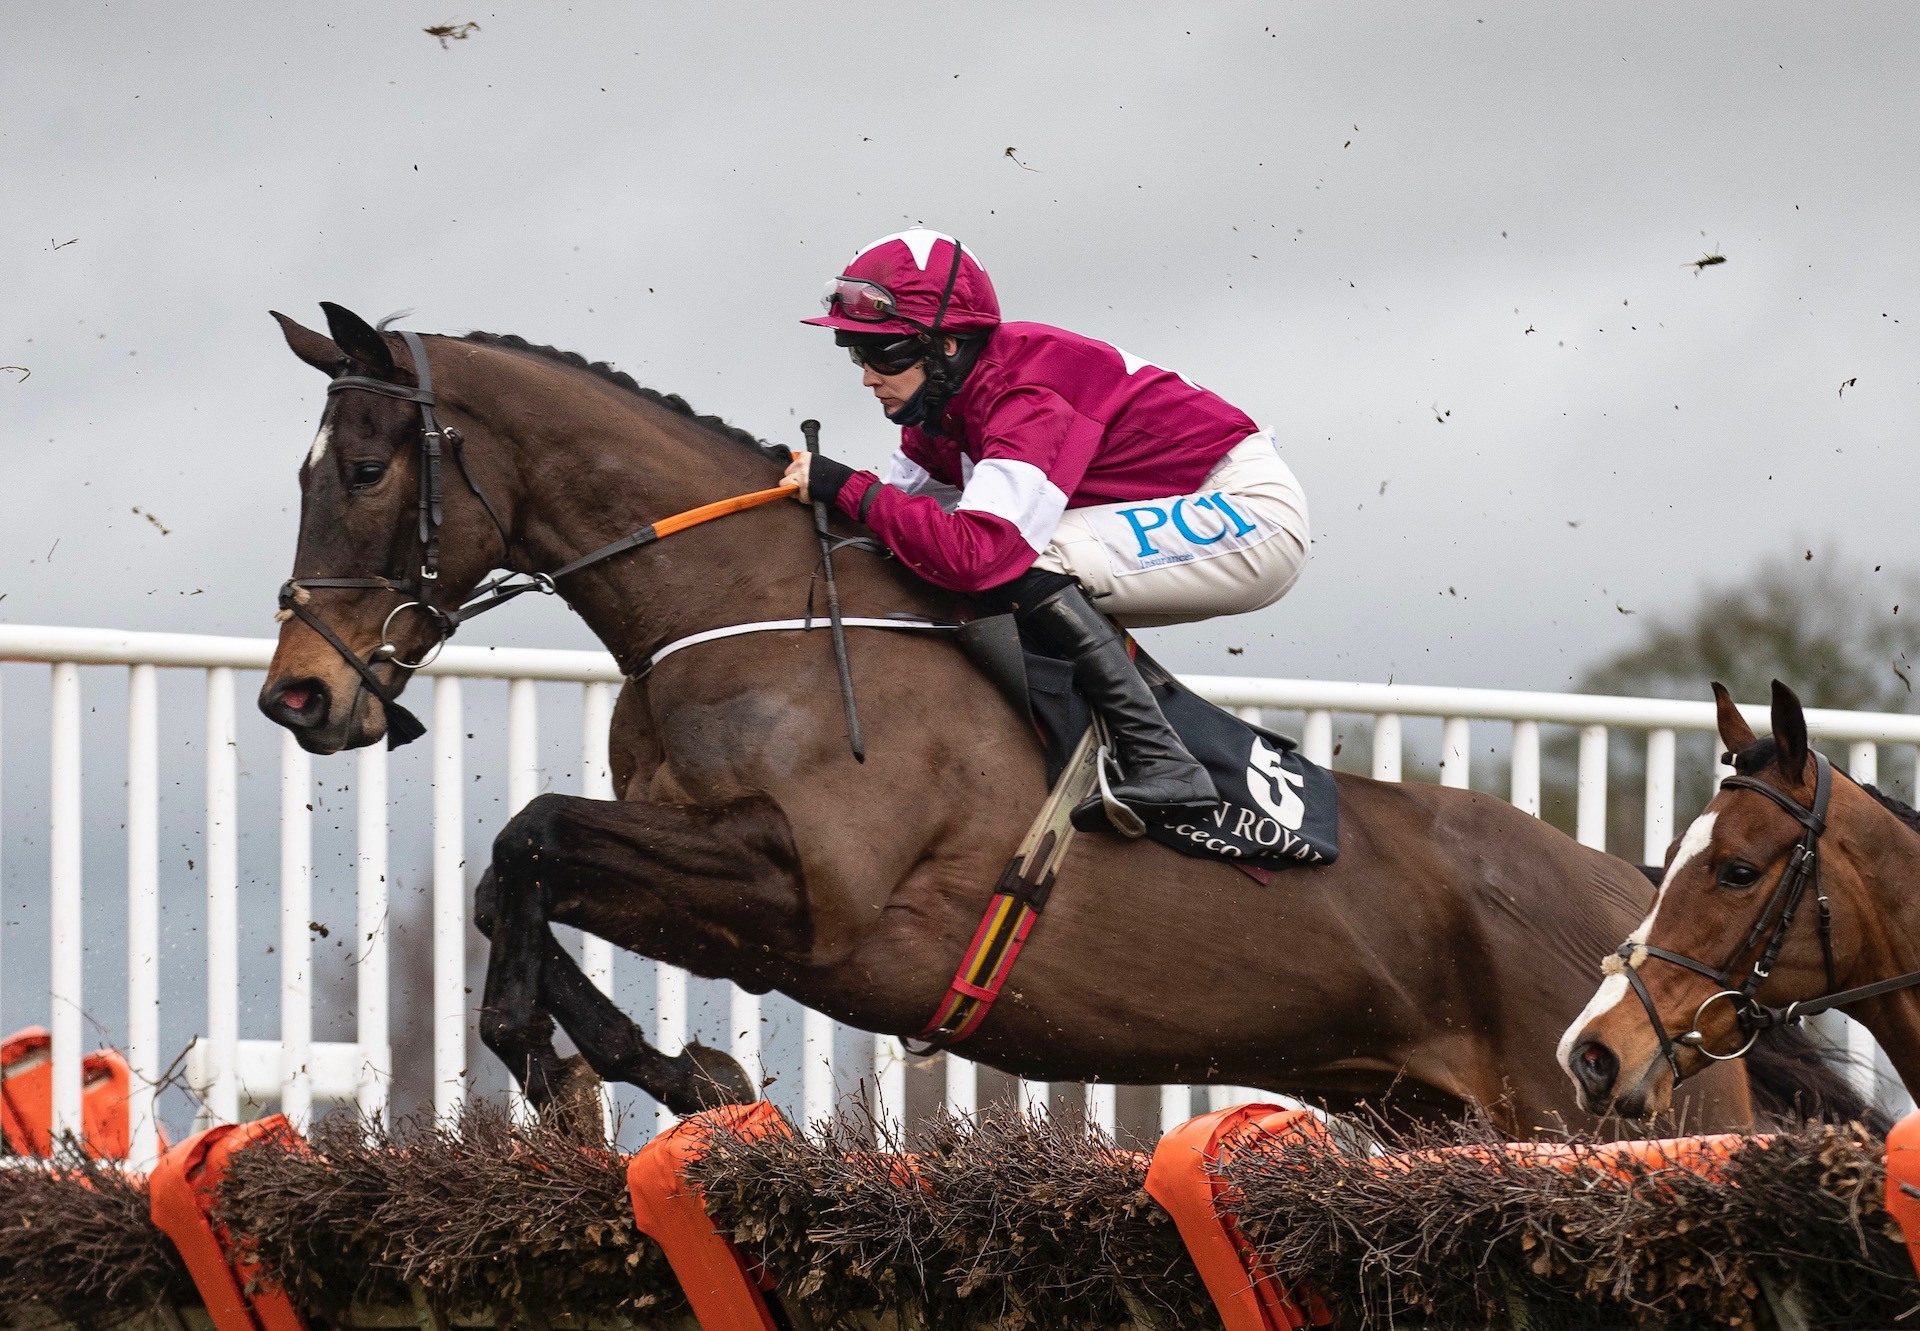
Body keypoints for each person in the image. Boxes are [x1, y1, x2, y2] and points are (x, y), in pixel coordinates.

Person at [787, 228, 1310, 825]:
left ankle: (1164, 760)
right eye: (857, 353)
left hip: (1250, 512)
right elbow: (886, 530)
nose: (867, 377)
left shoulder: (1028, 391)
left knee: (1019, 562)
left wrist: (847, 485)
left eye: (884, 355)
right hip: (1185, 507)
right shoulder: (935, 413)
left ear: (948, 346)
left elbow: (979, 555)